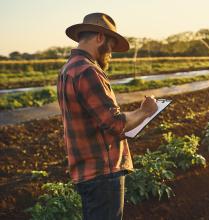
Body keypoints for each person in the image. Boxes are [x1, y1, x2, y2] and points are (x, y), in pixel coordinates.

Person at [57, 13, 158, 220]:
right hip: (103, 171)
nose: (111, 53)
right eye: (111, 46)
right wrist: (145, 111)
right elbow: (115, 123)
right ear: (100, 38)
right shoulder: (88, 71)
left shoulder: (68, 69)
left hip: (87, 169)